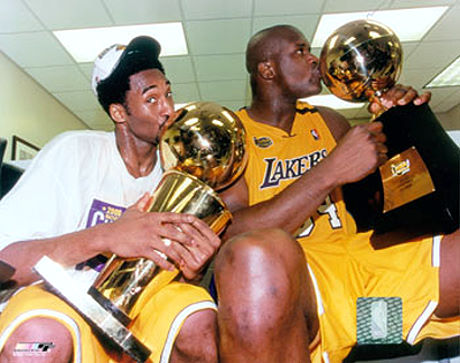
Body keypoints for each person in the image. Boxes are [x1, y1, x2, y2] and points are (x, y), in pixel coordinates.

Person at [215, 25, 459, 363]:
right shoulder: (234, 137)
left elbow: (389, 201)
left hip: (365, 292)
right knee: (255, 254)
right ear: (267, 69)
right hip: (305, 292)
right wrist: (329, 172)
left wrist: (404, 120)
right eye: (299, 51)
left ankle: (369, 340)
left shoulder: (329, 122)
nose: (315, 59)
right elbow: (233, 235)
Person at [0, 36, 219, 363]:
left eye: (168, 94)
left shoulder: (177, 173)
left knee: (198, 319)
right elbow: (6, 264)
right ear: (119, 112)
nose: (169, 110)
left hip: (136, 307)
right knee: (40, 342)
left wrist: (194, 270)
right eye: (152, 99)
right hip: (57, 299)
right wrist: (107, 236)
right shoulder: (74, 152)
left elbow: (177, 273)